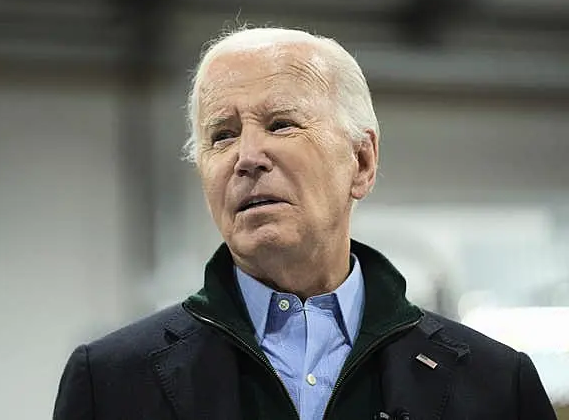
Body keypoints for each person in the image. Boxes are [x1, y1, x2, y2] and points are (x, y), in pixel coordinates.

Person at [53, 27, 557, 420]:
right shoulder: (110, 382)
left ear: (361, 162)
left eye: (281, 124)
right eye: (222, 135)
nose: (248, 157)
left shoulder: (496, 384)